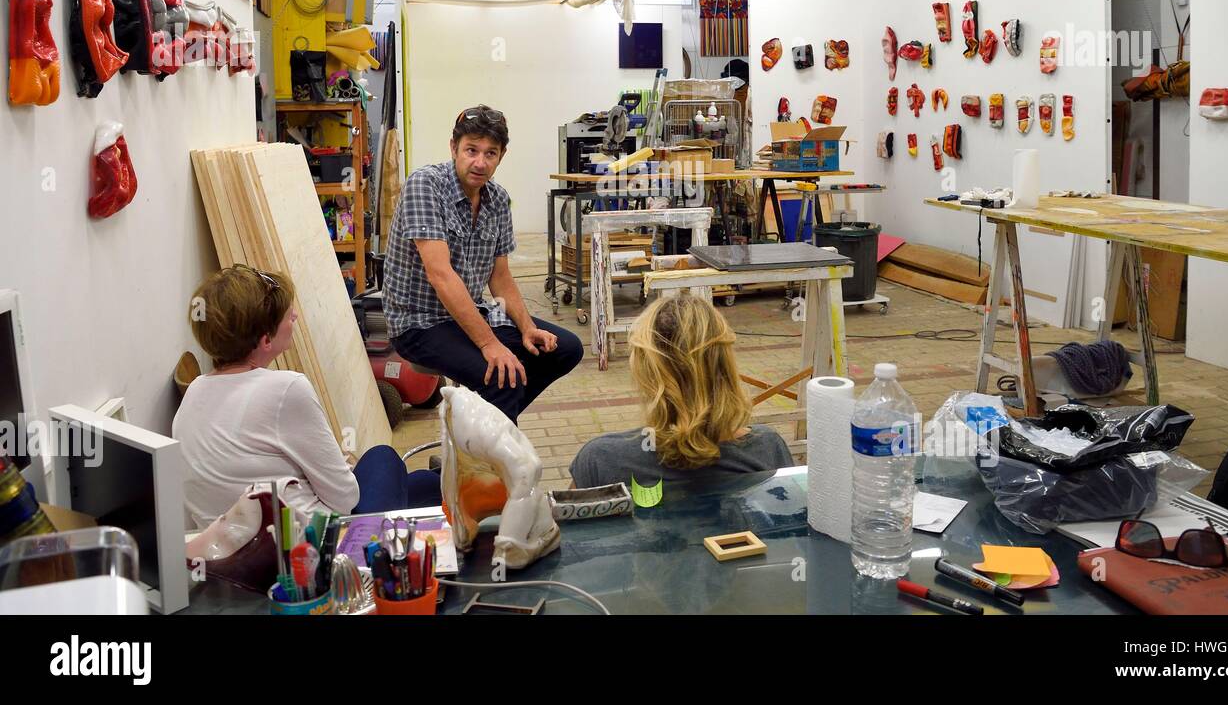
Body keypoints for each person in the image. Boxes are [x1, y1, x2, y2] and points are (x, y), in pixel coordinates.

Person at [173, 265, 439, 528]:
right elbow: (345, 498)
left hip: (228, 549)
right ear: (266, 340)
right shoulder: (286, 389)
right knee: (383, 458)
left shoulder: (195, 390)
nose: (296, 317)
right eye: (288, 316)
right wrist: (340, 469)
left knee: (423, 484)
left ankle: (449, 485)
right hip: (309, 551)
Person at [385, 105, 583, 422]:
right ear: (454, 148)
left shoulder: (498, 200)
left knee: (566, 349)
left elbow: (500, 277)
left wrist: (528, 328)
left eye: (491, 153)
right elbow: (441, 276)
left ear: (501, 156)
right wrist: (490, 345)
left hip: (469, 312)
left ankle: (480, 432)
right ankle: (486, 460)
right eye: (471, 150)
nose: (480, 162)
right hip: (419, 323)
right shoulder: (425, 186)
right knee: (504, 380)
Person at [568, 295, 792, 488]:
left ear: (647, 373)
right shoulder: (767, 448)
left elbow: (564, 534)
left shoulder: (601, 461)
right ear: (726, 368)